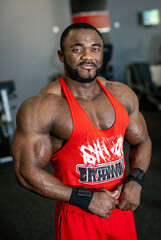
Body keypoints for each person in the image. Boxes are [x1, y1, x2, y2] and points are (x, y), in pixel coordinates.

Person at [12, 22, 152, 240]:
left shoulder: (122, 94)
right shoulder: (43, 106)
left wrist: (136, 180)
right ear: (61, 55)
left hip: (120, 206)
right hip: (78, 213)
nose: (88, 56)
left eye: (95, 49)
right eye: (78, 49)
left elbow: (142, 141)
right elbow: (25, 171)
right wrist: (85, 199)